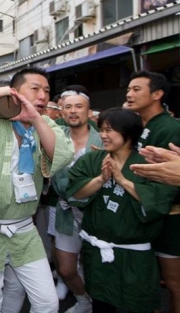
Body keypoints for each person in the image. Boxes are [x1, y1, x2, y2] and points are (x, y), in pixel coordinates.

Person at [0, 67, 74, 313]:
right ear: (14, 92)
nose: (43, 95)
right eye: (35, 88)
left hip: (24, 229)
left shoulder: (46, 124)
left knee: (47, 302)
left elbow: (60, 156)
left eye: (46, 91)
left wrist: (36, 119)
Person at [66, 108, 179, 312]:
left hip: (134, 256)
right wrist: (101, 179)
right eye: (101, 129)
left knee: (136, 303)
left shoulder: (148, 164)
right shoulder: (92, 160)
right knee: (101, 302)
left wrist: (123, 181)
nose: (102, 135)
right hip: (97, 252)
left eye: (109, 130)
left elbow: (158, 203)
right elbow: (75, 192)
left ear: (128, 132)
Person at [126, 70, 180, 312]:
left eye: (136, 89)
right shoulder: (142, 125)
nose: (129, 94)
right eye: (128, 89)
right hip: (147, 212)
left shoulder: (170, 128)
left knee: (173, 282)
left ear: (157, 94)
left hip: (169, 215)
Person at [49, 90, 102, 313]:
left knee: (97, 269)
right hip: (65, 211)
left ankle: (98, 304)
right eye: (68, 107)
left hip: (96, 213)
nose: (73, 111)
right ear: (62, 111)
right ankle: (83, 301)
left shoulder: (102, 139)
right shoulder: (55, 135)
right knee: (66, 268)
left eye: (79, 106)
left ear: (89, 112)